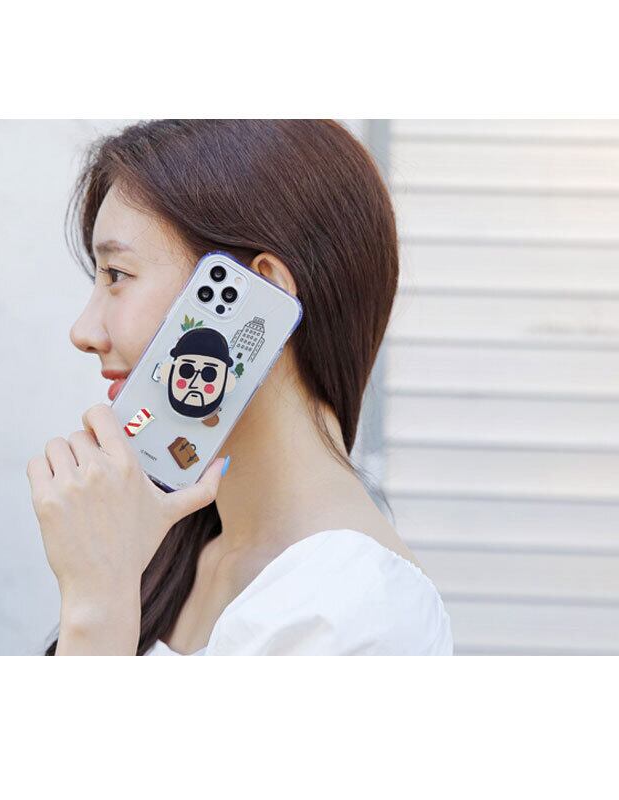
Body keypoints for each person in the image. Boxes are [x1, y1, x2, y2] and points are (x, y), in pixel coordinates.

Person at [26, 119, 453, 656]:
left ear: (261, 293)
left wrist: (96, 604)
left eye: (117, 274)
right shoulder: (171, 543)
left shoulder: (359, 608)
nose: (83, 332)